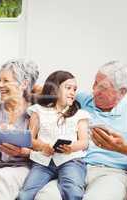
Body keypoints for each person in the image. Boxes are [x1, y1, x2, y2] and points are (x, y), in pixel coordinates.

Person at [35, 61, 127, 200]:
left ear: (122, 92)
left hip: (109, 173)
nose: (94, 90)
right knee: (46, 196)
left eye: (102, 87)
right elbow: (43, 88)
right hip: (71, 167)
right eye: (95, 83)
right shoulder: (83, 99)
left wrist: (121, 148)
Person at [18, 71, 89, 200]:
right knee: (24, 195)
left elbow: (84, 142)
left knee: (73, 192)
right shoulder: (38, 111)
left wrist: (72, 147)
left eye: (74, 89)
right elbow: (29, 139)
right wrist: (43, 146)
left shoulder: (80, 114)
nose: (72, 92)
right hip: (43, 162)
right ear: (54, 89)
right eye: (68, 88)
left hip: (71, 161)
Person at [0, 59, 39, 200]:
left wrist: (25, 152)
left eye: (5, 81)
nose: (0, 85)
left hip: (25, 169)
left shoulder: (36, 113)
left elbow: (46, 151)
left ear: (24, 84)